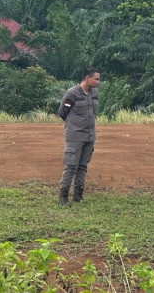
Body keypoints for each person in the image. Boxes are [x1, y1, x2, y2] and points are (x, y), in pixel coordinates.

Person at [57, 66, 100, 207]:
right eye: (96, 79)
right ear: (88, 78)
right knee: (71, 166)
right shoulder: (72, 94)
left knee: (82, 166)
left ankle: (78, 196)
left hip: (89, 136)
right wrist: (74, 126)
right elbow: (62, 112)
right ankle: (63, 198)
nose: (98, 82)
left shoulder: (94, 94)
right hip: (75, 136)